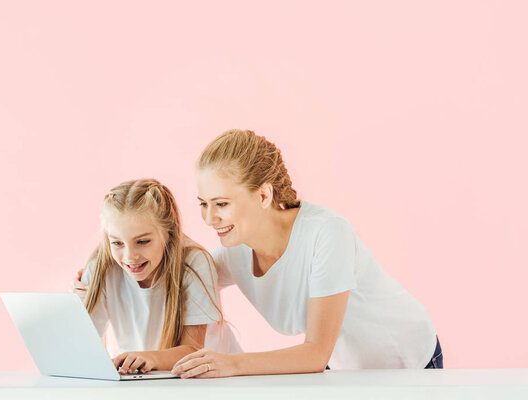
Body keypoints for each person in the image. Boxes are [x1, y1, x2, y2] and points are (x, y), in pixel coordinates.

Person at [170, 129, 441, 378]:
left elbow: (315, 354)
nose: (209, 218)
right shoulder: (233, 252)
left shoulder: (326, 233)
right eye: (203, 204)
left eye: (221, 204)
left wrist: (231, 363)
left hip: (409, 360)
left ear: (264, 196)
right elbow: (183, 282)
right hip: (349, 372)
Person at [73, 179, 240, 374]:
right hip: (150, 379)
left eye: (142, 241)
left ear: (168, 234)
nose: (129, 257)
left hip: (213, 379)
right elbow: (83, 348)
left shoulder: (193, 263)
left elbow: (193, 350)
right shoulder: (101, 268)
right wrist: (75, 304)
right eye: (117, 243)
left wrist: (149, 357)